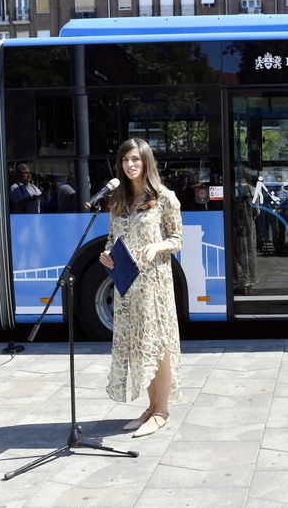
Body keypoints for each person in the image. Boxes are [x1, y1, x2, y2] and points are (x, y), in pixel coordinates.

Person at [98, 138, 183, 438]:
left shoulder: (164, 198)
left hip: (154, 287)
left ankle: (162, 412)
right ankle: (151, 408)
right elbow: (112, 239)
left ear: (146, 161)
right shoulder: (118, 201)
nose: (130, 165)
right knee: (138, 347)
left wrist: (158, 245)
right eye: (124, 160)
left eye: (135, 159)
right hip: (126, 285)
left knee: (157, 346)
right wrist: (106, 254)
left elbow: (177, 239)